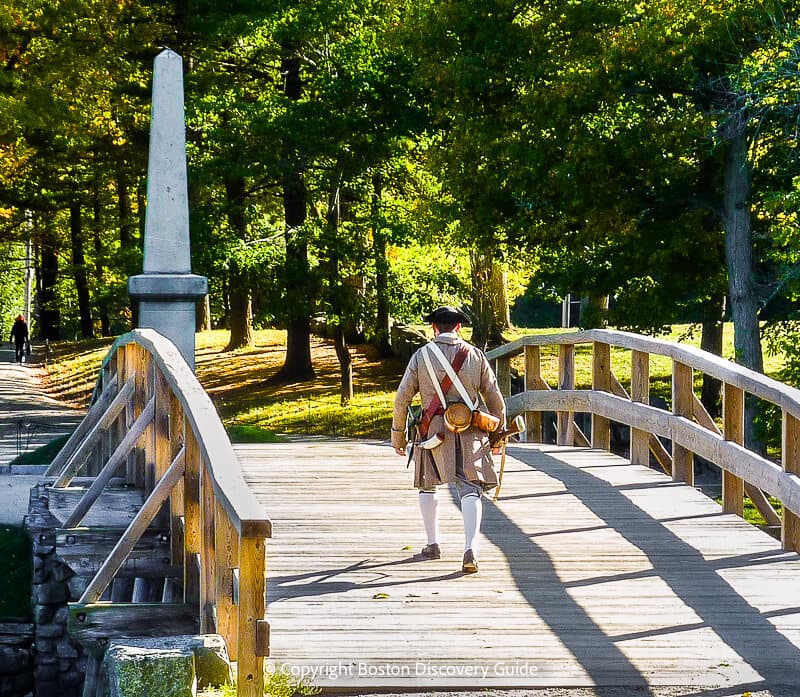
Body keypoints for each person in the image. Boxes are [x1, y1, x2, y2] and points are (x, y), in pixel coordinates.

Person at [391, 306, 506, 574]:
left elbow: (402, 398)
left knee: (428, 486)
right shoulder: (475, 355)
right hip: (471, 430)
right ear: (458, 328)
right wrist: (497, 437)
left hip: (433, 430)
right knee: (470, 490)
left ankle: (432, 544)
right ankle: (471, 549)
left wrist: (399, 435)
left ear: (434, 328)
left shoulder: (421, 356)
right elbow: (494, 396)